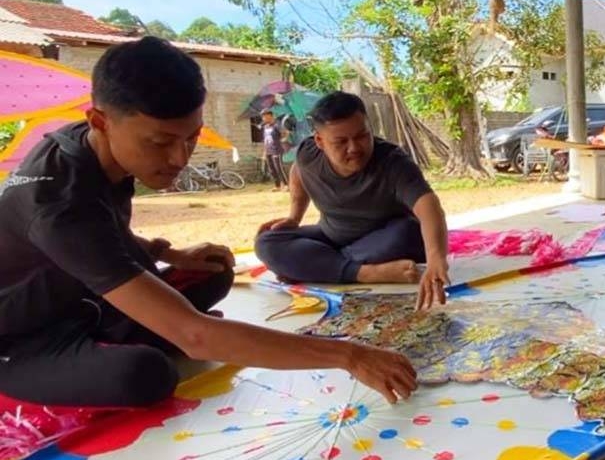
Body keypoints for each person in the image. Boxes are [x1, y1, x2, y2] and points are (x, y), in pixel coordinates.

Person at [0, 38, 416, 408]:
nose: (180, 159)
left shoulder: (92, 147)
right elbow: (193, 335)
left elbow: (101, 234)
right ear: (101, 122)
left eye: (191, 137)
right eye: (161, 142)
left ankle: (147, 325)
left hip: (83, 294)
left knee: (214, 269)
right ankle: (140, 334)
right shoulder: (57, 203)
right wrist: (349, 354)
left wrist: (168, 253)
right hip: (26, 335)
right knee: (145, 373)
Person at [255, 91, 450, 309]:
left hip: (383, 242)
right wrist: (294, 216)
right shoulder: (308, 153)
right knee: (267, 241)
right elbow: (298, 172)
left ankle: (323, 266)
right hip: (334, 235)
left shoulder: (393, 161)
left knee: (410, 232)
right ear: (319, 141)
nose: (354, 148)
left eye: (362, 136)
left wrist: (436, 259)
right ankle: (366, 273)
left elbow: (428, 205)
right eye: (340, 141)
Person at [260, 110, 289, 191]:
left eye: (264, 116)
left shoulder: (277, 125)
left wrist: (283, 139)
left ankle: (286, 185)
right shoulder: (265, 127)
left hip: (277, 149)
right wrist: (264, 152)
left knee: (279, 168)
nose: (263, 118)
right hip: (268, 149)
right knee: (271, 169)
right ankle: (277, 186)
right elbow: (265, 140)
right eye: (262, 117)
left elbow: (286, 132)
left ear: (270, 116)